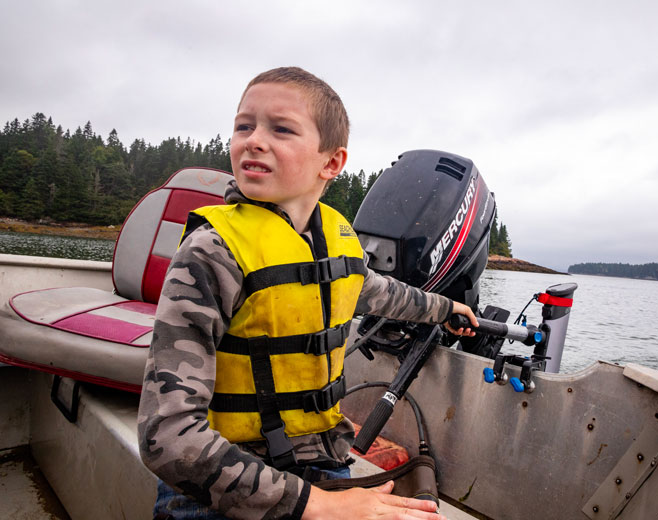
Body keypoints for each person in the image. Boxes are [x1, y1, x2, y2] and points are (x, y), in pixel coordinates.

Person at [137, 66, 478, 520]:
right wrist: (319, 506)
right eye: (244, 125)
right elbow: (169, 437)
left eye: (280, 129)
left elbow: (380, 292)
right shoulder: (212, 252)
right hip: (224, 484)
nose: (254, 140)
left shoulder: (336, 237)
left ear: (331, 163)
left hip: (321, 460)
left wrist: (446, 308)